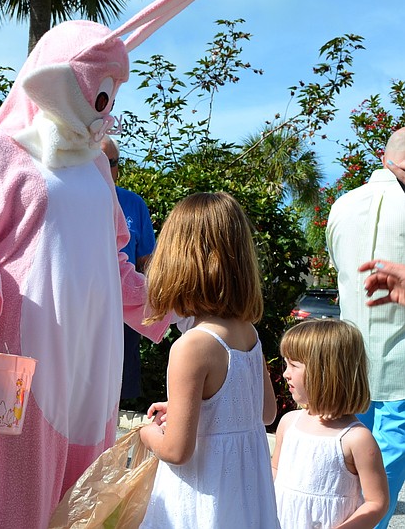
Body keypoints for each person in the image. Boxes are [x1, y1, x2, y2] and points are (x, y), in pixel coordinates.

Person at [0, 0, 222, 526]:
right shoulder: (0, 152)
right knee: (24, 495)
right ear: (64, 80)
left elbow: (112, 261)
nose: (107, 109)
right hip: (32, 351)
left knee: (88, 498)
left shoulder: (95, 166)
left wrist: (169, 305)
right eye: (101, 91)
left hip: (95, 352)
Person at [138, 192, 279, 528]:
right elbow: (266, 412)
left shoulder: (192, 346)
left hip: (203, 502)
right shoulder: (248, 333)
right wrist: (190, 409)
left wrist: (146, 433)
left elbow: (176, 451)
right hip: (245, 501)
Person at [326, 127, 405, 528]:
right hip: (401, 372)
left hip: (351, 362)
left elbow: (340, 273)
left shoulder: (341, 205)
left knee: (347, 467)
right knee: (383, 480)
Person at [272, 319, 388, 529]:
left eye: (294, 365)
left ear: (325, 373)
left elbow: (376, 502)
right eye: (285, 363)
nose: (286, 373)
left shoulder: (355, 439)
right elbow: (275, 470)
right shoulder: (288, 423)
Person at [101, 136, 156, 400]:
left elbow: (147, 261)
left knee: (123, 390)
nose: (105, 168)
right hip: (85, 309)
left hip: (125, 311)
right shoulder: (70, 200)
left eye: (111, 162)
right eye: (98, 161)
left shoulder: (134, 204)